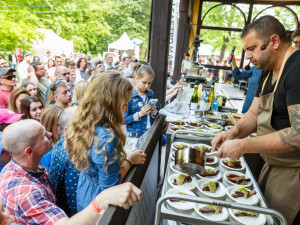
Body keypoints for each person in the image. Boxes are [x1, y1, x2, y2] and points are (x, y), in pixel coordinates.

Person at [211, 15, 300, 225]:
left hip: (294, 175)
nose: (248, 56)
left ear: (274, 41)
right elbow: (253, 113)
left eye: (252, 48)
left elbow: (298, 134)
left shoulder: (297, 70)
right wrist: (231, 134)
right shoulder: (267, 72)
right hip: (272, 165)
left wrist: (244, 145)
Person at [0, 119, 142, 225]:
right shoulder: (27, 193)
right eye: (43, 136)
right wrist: (103, 199)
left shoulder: (17, 169)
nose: (50, 134)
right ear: (29, 151)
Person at [65, 71, 146, 211]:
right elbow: (110, 187)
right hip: (98, 203)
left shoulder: (84, 121)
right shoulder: (107, 139)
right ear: (111, 105)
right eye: (124, 104)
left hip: (86, 191)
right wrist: (130, 160)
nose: (126, 109)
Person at [49, 107, 80, 216]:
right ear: (68, 130)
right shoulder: (74, 157)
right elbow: (76, 203)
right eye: (83, 122)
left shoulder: (60, 144)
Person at [124, 65, 160, 135]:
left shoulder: (151, 94)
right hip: (135, 134)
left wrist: (154, 113)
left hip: (150, 131)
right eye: (144, 82)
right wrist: (139, 114)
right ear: (136, 78)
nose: (147, 86)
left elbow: (157, 114)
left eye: (149, 83)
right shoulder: (129, 95)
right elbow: (123, 120)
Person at [40, 105, 64, 170]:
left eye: (64, 122)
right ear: (50, 125)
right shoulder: (45, 150)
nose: (64, 126)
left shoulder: (65, 141)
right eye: (59, 124)